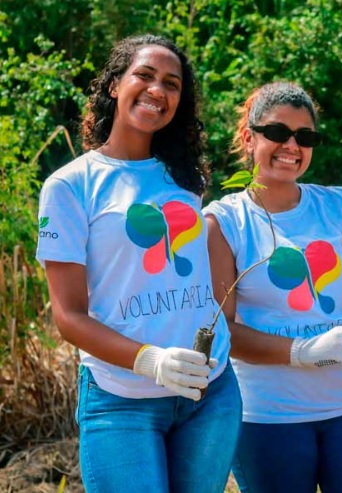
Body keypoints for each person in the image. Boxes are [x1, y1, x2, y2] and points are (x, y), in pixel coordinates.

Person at [35, 34, 242, 492]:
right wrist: (150, 360)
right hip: (121, 398)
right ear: (114, 85)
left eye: (171, 84)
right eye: (144, 76)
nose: (157, 90)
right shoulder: (69, 186)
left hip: (209, 393)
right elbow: (67, 316)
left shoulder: (188, 178)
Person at [203, 81, 342, 493]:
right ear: (249, 137)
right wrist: (302, 353)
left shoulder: (339, 206)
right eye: (277, 133)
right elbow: (222, 330)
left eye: (305, 137)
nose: (291, 146)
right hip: (269, 417)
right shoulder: (224, 222)